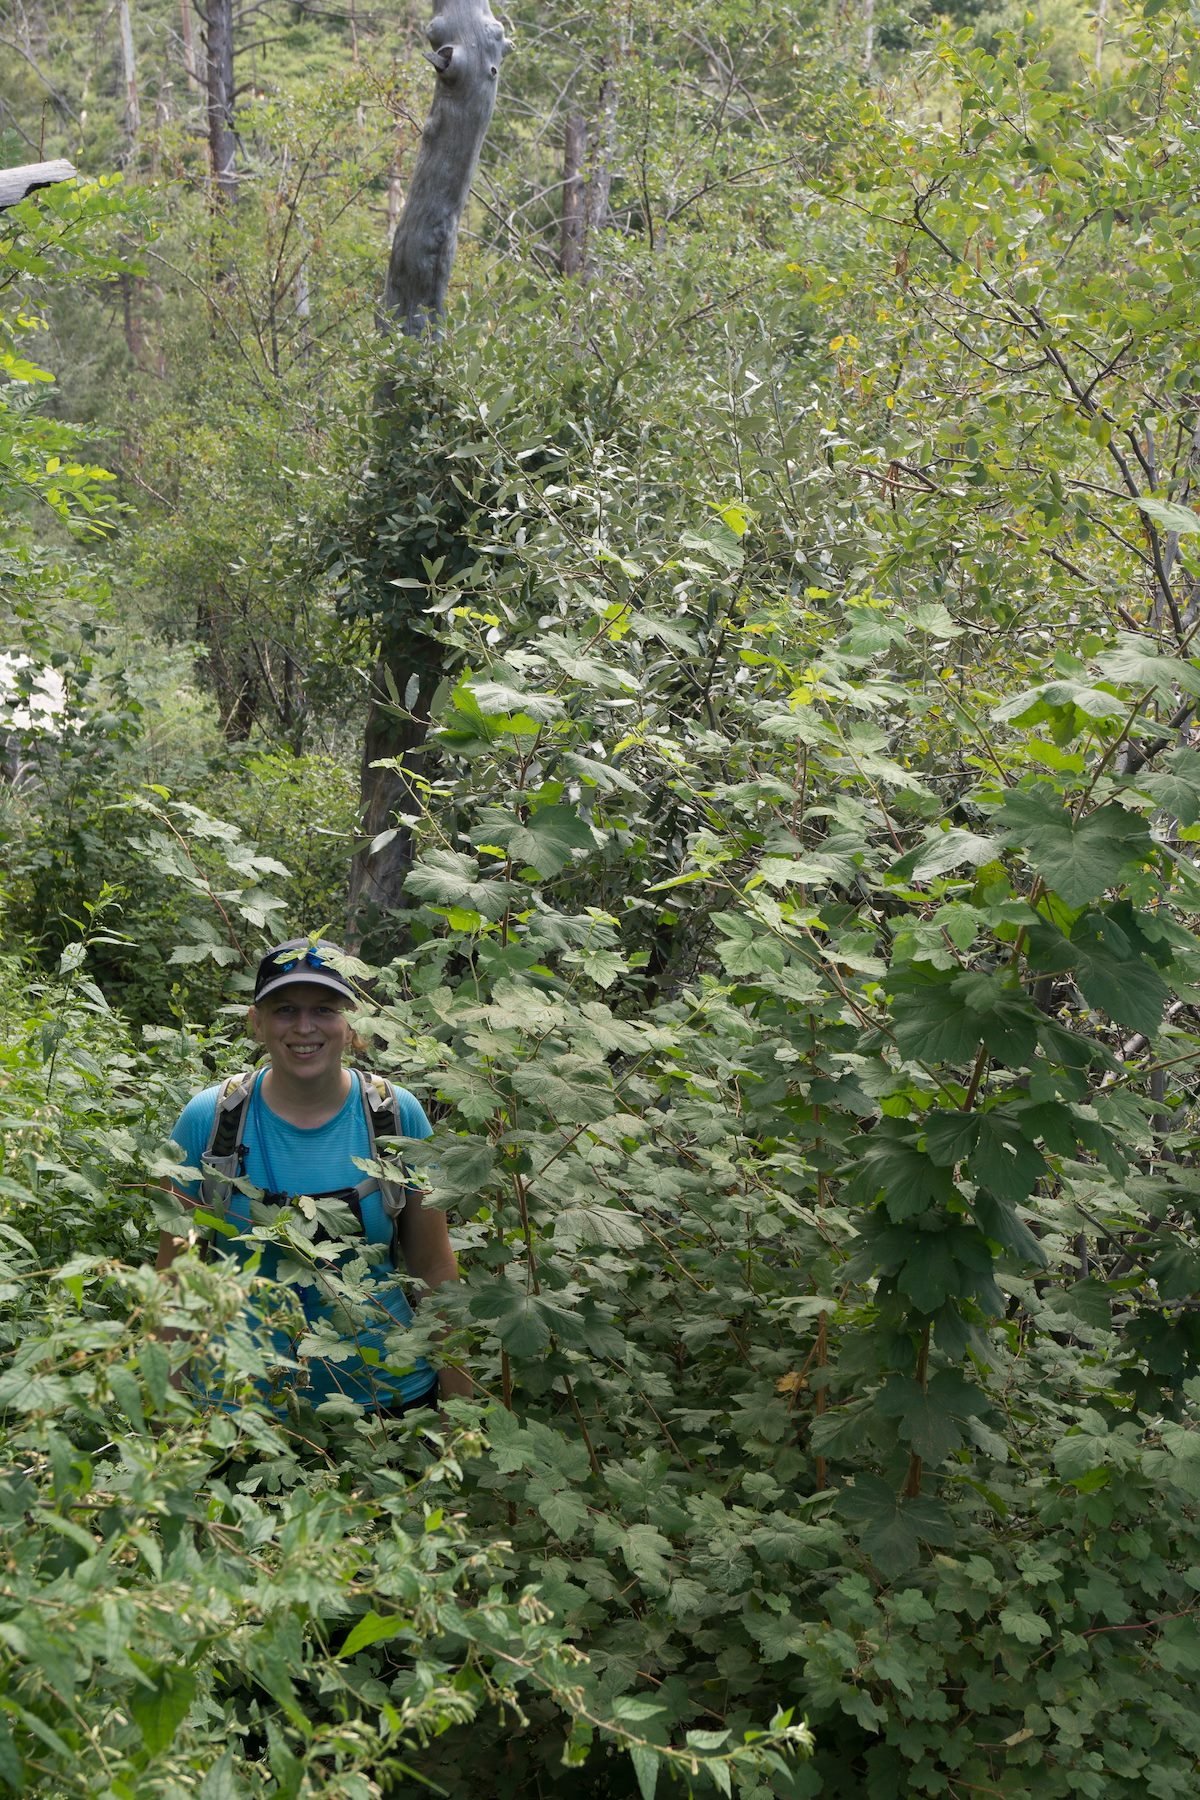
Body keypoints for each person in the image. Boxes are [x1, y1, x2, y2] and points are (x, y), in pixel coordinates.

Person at [158, 937, 468, 1413]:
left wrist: (460, 1413)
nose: (304, 1027)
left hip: (390, 1400)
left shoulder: (394, 1116)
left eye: (325, 1008)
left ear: (353, 1024)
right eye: (284, 1009)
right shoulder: (210, 1119)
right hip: (240, 1408)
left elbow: (434, 1270)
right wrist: (167, 1416)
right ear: (257, 1023)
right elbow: (174, 1281)